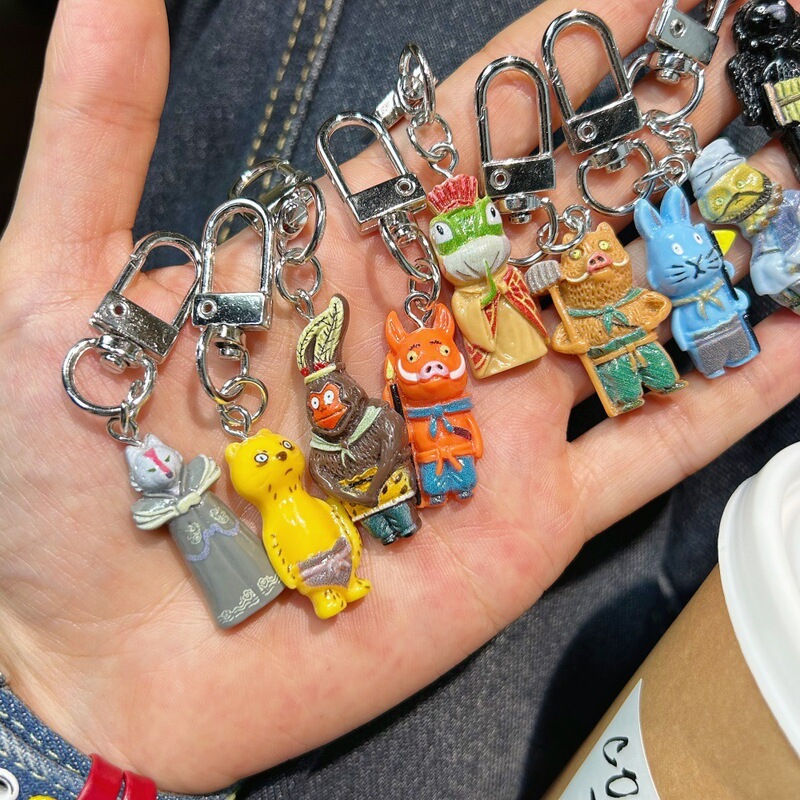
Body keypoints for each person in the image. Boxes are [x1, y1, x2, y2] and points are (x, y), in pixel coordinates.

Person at [0, 0, 797, 798]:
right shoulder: (317, 436)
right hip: (382, 488)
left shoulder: (385, 389)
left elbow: (400, 416)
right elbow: (361, 446)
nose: (317, 418)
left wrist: (45, 725)